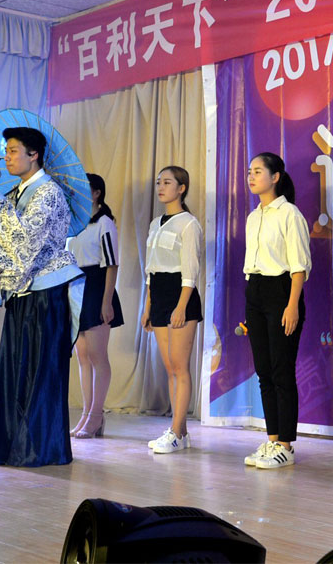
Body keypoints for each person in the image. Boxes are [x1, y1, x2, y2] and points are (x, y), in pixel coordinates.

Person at [0, 126, 83, 467]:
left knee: (39, 373)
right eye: (6, 150)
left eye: (13, 151)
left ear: (34, 155)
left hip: (45, 295)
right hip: (23, 294)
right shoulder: (19, 193)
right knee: (16, 372)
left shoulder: (48, 192)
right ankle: (10, 446)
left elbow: (22, 242)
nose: (6, 157)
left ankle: (38, 449)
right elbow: (7, 237)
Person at [242, 152, 311, 469]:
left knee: (282, 371)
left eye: (258, 171)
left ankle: (286, 444)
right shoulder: (253, 217)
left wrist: (292, 305)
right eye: (249, 171)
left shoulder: (290, 214)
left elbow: (299, 266)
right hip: (255, 290)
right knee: (264, 371)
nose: (251, 176)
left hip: (282, 291)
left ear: (275, 177)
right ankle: (272, 440)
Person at [143, 166, 204, 454]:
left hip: (181, 296)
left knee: (180, 367)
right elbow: (150, 270)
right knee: (170, 368)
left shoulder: (188, 224)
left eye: (167, 182)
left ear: (182, 188)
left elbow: (191, 270)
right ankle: (180, 431)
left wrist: (181, 307)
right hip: (158, 294)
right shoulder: (155, 223)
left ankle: (176, 432)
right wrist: (148, 307)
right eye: (159, 182)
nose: (161, 187)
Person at [66, 173, 125, 439]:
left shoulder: (105, 223)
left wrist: (106, 301)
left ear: (96, 193)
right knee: (82, 356)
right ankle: (86, 414)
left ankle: (96, 415)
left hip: (97, 286)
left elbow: (111, 264)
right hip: (76, 287)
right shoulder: (75, 223)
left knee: (97, 355)